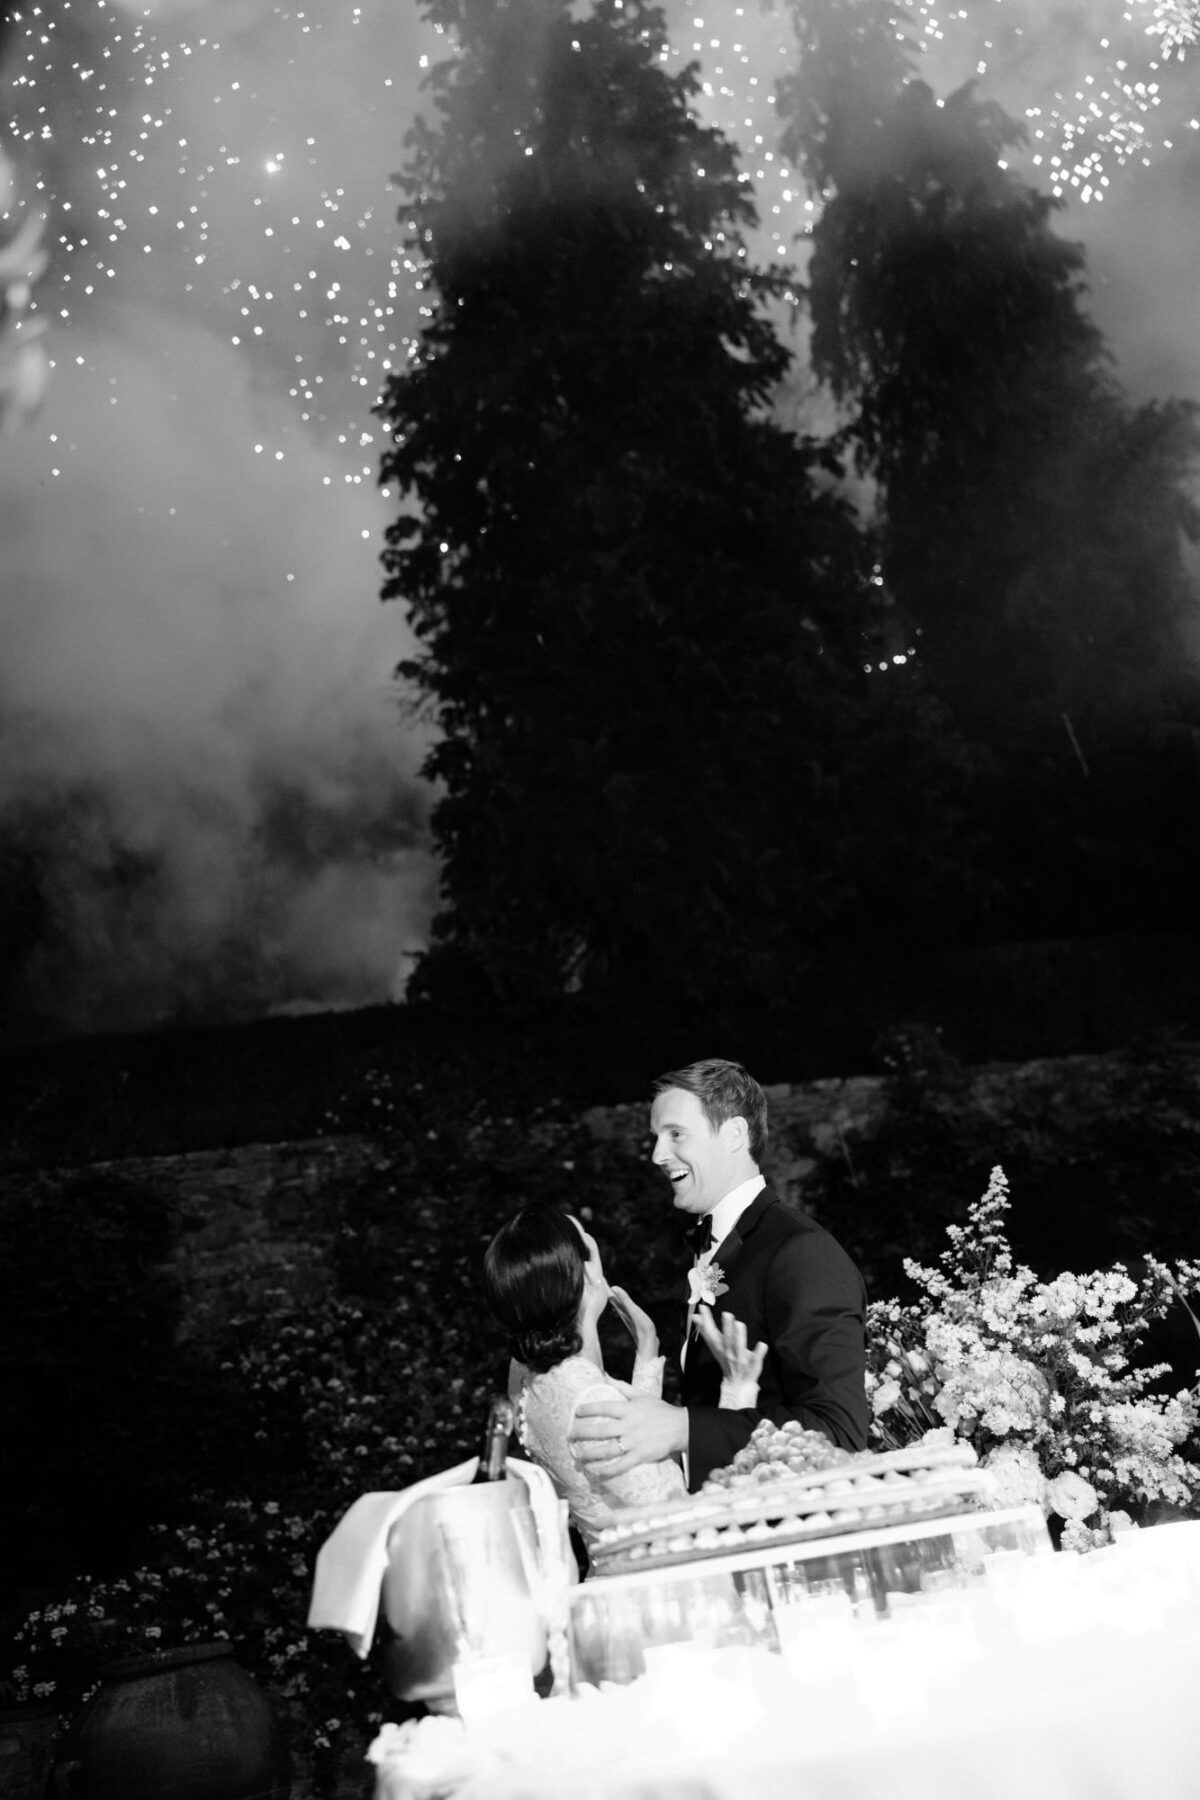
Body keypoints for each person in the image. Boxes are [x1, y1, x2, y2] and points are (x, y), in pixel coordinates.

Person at [569, 1058, 869, 1491]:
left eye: (676, 1134)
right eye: (656, 1137)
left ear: (734, 1134)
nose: (657, 1155)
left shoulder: (801, 1252)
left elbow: (839, 1432)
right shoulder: (719, 1247)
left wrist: (683, 1428)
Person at [483, 1203, 765, 1551]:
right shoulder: (590, 1400)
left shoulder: (523, 1375)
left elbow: (627, 1467)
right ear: (586, 1272)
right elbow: (687, 1523)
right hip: (670, 1574)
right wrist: (737, 1391)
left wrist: (647, 1354)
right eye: (587, 1238)